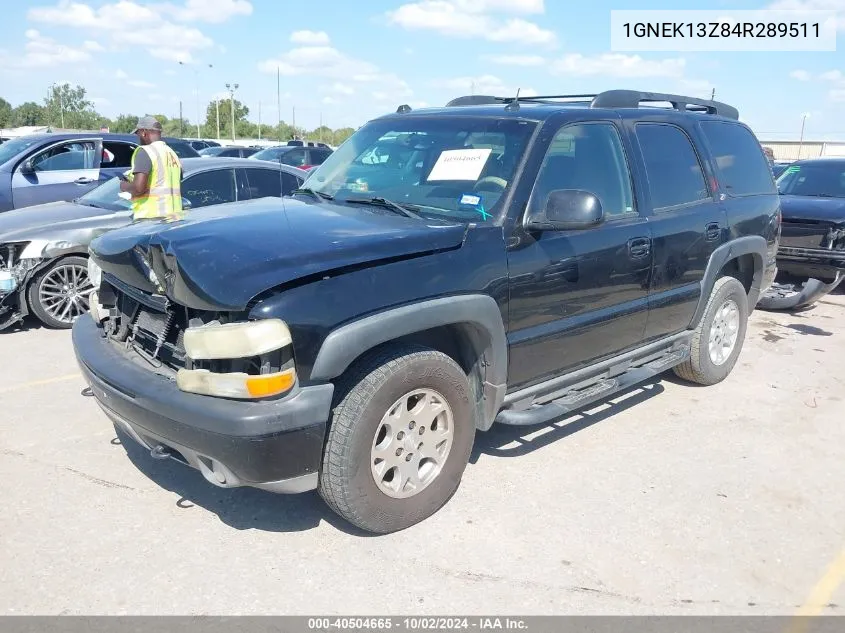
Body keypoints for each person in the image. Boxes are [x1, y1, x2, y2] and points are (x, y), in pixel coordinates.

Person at [120, 115, 184, 222]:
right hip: (173, 218)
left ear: (144, 132)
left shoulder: (145, 151)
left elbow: (138, 189)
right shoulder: (172, 153)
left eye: (138, 133)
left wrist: (123, 185)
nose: (138, 137)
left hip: (151, 220)